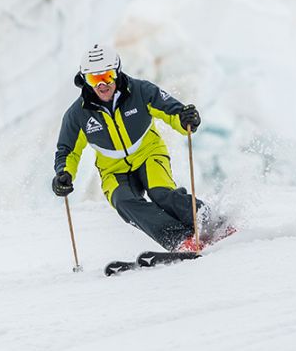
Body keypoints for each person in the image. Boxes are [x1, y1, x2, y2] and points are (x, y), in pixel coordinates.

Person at [52, 43, 231, 252]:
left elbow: (171, 111)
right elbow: (68, 150)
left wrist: (185, 119)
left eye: (107, 76)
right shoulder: (77, 114)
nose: (102, 84)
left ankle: (215, 224)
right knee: (124, 202)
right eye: (94, 78)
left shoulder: (140, 91)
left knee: (161, 193)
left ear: (117, 72)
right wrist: (63, 174)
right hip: (113, 170)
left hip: (149, 155)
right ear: (84, 80)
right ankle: (181, 240)